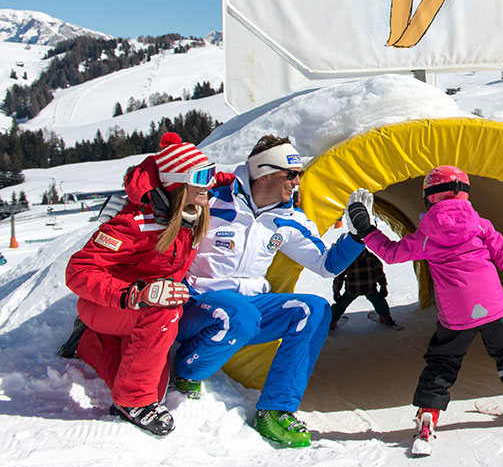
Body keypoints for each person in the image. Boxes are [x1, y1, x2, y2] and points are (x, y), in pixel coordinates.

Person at [173, 135, 364, 448]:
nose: (297, 181)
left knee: (314, 311)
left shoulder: (287, 219)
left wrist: (357, 237)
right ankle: (187, 370)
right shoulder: (213, 198)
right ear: (264, 174)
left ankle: (276, 410)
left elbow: (326, 264)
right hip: (197, 304)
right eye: (291, 174)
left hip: (246, 307)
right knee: (240, 313)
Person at [344, 165, 503, 446]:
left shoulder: (426, 237)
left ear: (430, 197)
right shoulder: (481, 225)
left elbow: (390, 254)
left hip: (457, 312)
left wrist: (366, 230)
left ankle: (429, 413)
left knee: (444, 360)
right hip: (492, 305)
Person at [63, 133, 214, 436]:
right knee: (165, 313)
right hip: (108, 304)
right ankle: (131, 403)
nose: (209, 184)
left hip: (138, 311)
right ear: (176, 184)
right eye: (201, 177)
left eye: (210, 173)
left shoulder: (191, 210)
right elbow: (78, 271)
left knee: (156, 390)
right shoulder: (135, 224)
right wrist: (133, 295)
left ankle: (91, 344)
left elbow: (224, 178)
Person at [329, 243, 397, 329]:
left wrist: (336, 291)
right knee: (378, 301)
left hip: (353, 288)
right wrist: (383, 285)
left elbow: (339, 277)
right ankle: (385, 317)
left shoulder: (347, 259)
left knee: (341, 304)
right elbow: (379, 271)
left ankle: (331, 322)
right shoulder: (371, 257)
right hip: (369, 287)